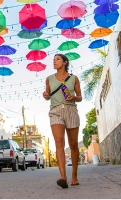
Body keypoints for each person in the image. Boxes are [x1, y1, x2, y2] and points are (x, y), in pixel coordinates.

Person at [43, 54, 82, 189]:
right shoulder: (49, 79)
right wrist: (45, 95)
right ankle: (63, 177)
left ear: (65, 62)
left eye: (57, 59)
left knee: (73, 145)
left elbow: (80, 97)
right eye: (53, 60)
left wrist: (73, 97)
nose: (54, 61)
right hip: (55, 111)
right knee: (59, 141)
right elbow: (47, 96)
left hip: (71, 110)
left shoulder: (74, 78)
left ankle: (74, 176)